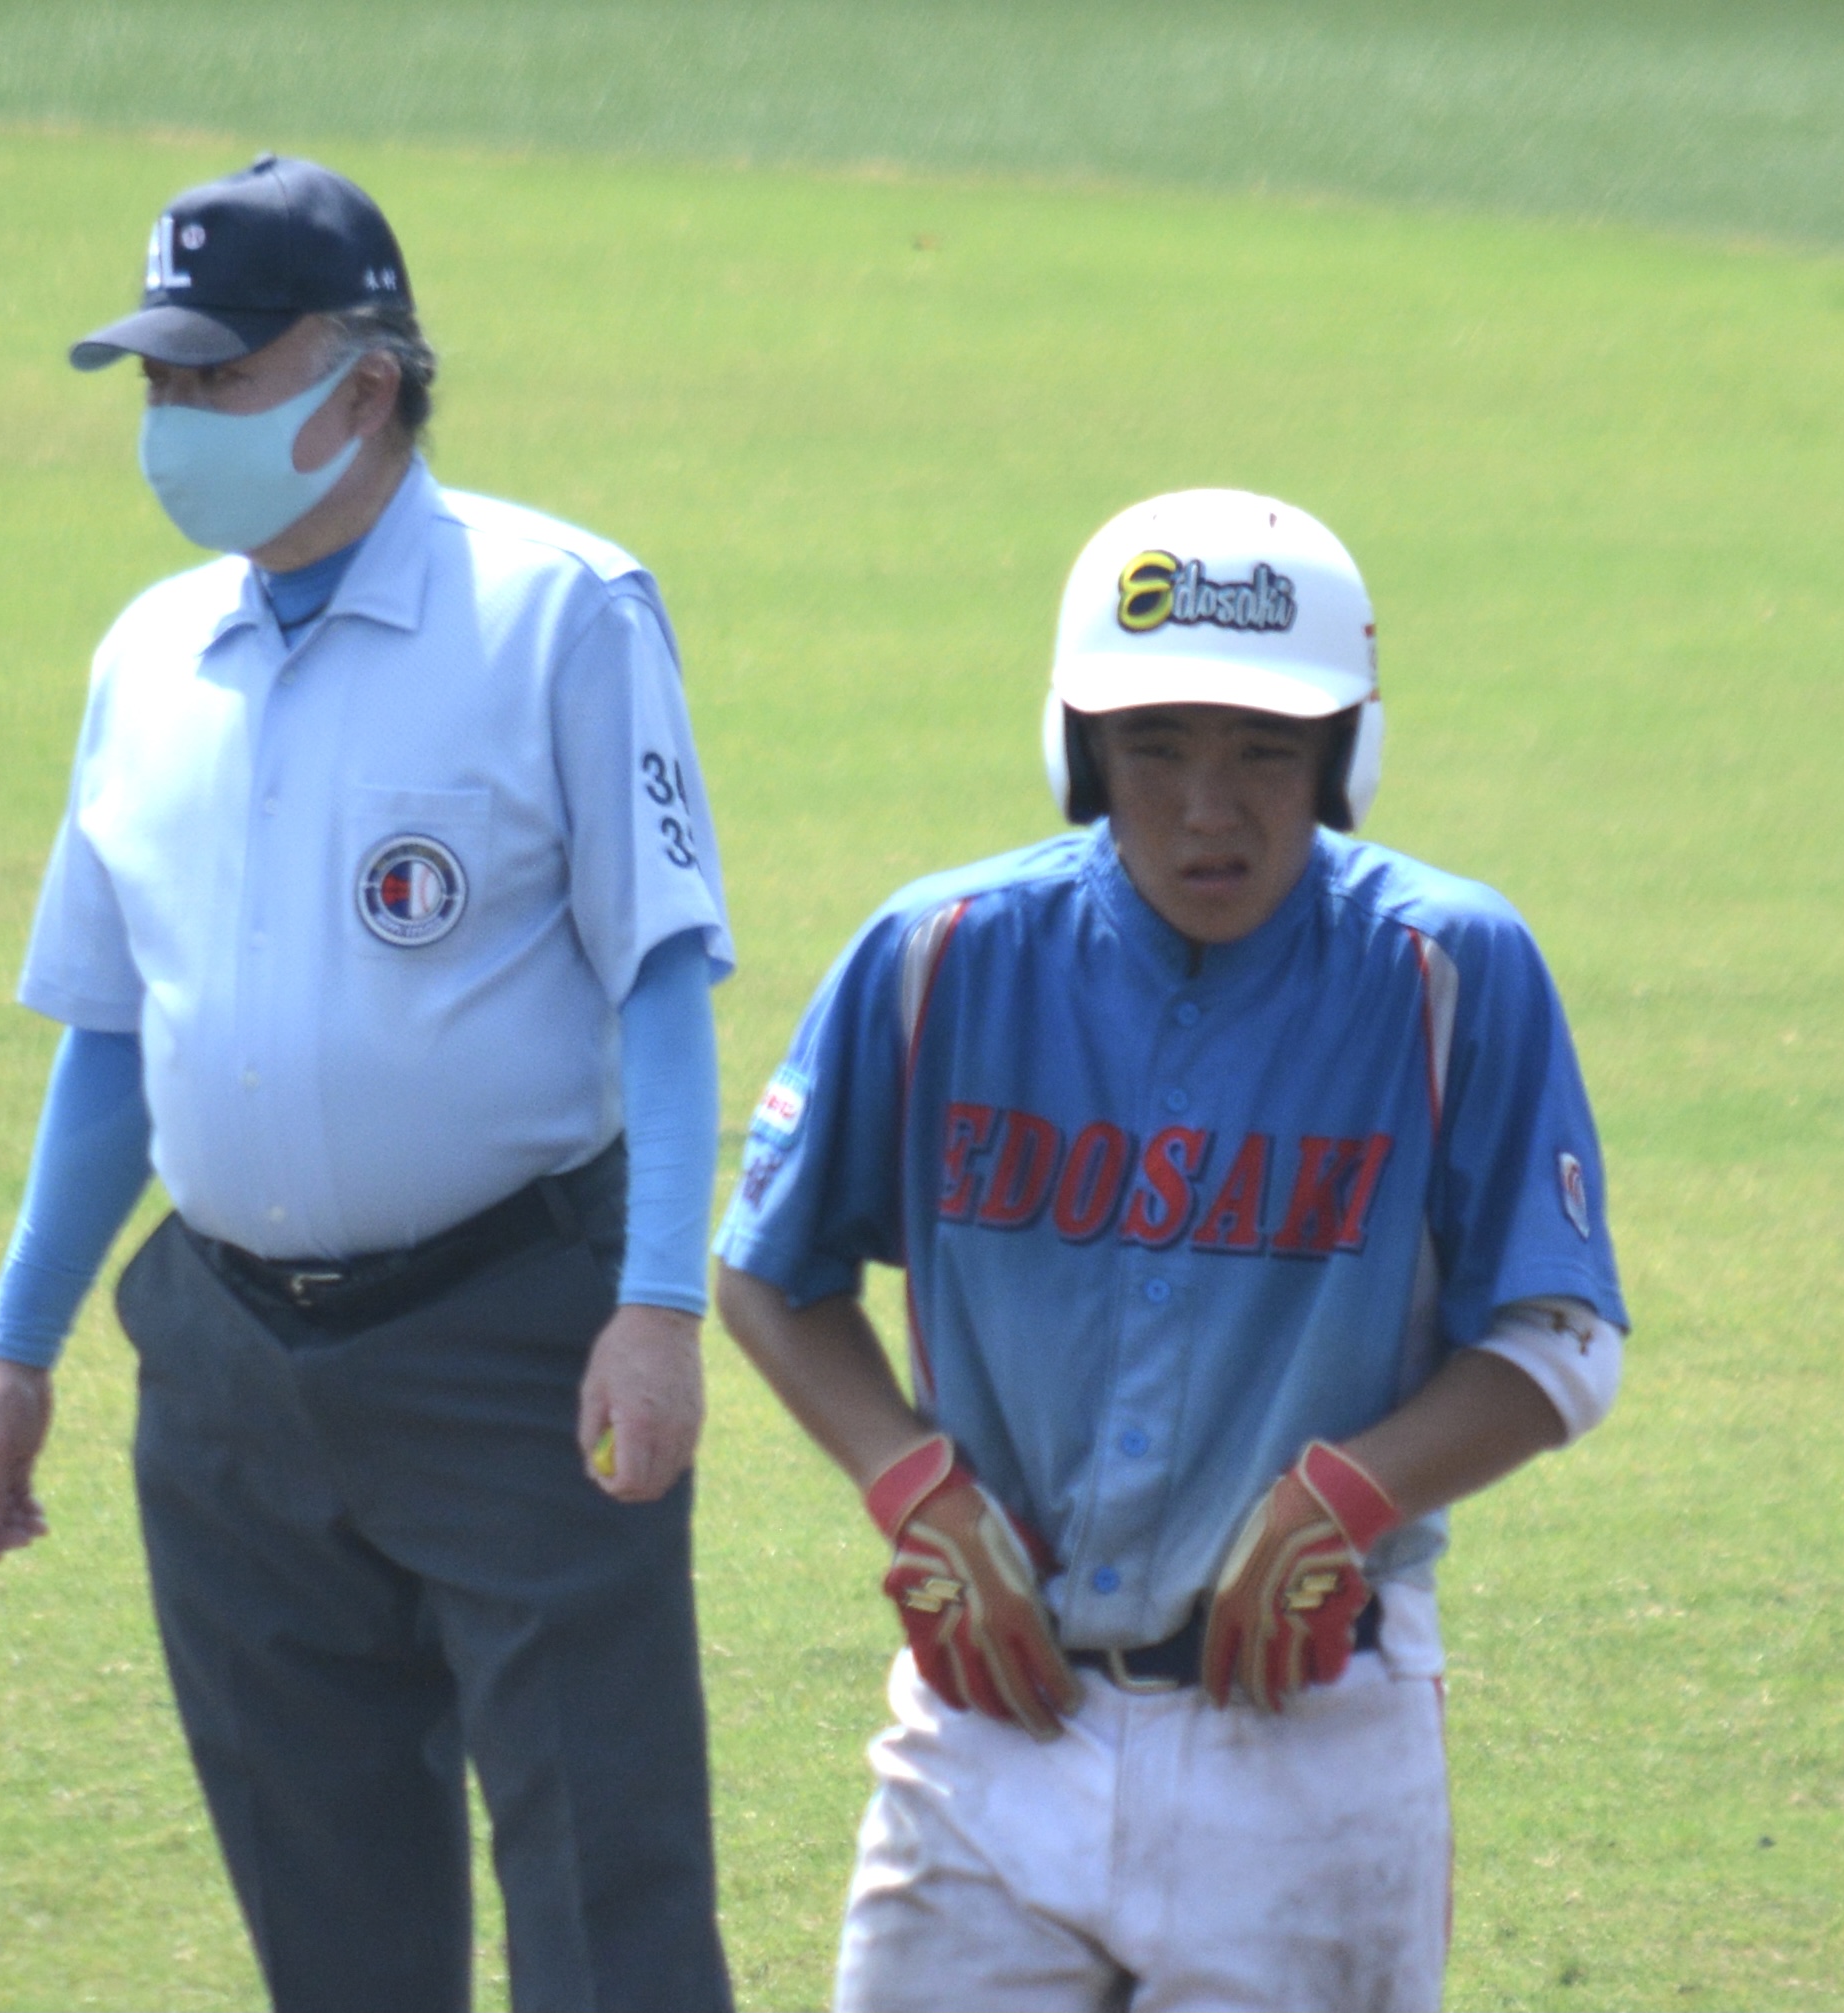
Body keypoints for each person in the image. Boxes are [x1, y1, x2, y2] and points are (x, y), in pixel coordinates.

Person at [0, 154, 734, 2013]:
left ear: (366, 383)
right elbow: (115, 1029)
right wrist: (19, 1341)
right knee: (328, 1924)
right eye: (159, 379)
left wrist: (658, 1305)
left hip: (515, 1336)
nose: (175, 418)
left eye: (217, 374)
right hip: (228, 1369)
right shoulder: (148, 656)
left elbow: (663, 974)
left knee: (606, 1903)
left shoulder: (561, 611)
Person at [712, 489, 1629, 2012]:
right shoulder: (942, 955)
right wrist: (909, 1482)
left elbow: (1563, 1339)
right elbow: (768, 1268)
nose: (1211, 808)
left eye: (1265, 750)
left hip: (1312, 1745)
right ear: (1081, 752)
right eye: (1156, 749)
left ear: (1342, 755)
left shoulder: (1447, 970)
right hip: (987, 1738)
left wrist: (1348, 1494)